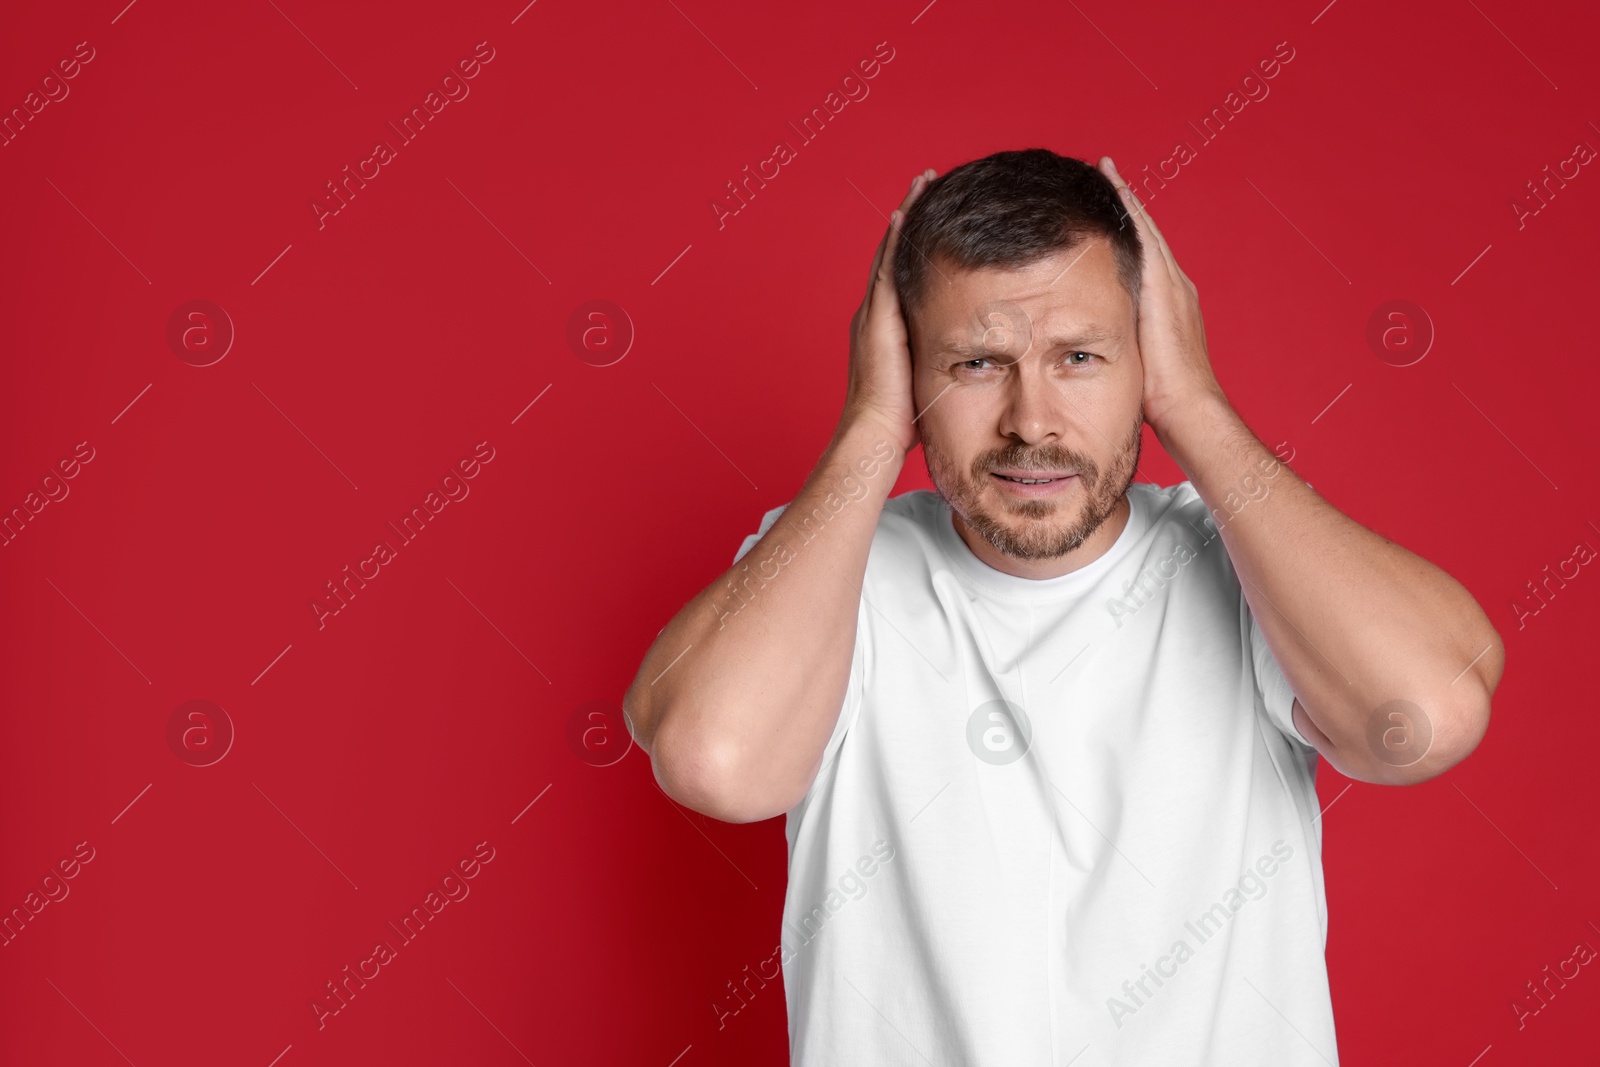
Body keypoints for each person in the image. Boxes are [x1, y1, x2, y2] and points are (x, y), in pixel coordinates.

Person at [623, 148, 1504, 1065]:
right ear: (903, 367)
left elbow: (1429, 716)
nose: (1031, 420)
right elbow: (713, 761)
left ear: (1149, 354)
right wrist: (868, 432)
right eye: (975, 363)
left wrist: (1197, 403)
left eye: (1079, 357)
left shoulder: (1249, 561)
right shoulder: (836, 570)